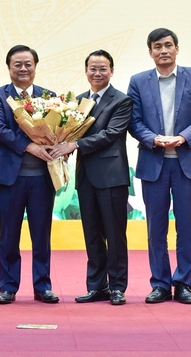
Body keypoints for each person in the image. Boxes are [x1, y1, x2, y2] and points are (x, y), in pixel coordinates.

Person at [127, 28, 191, 305]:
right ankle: (160, 284)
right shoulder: (138, 81)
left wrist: (183, 137)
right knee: (156, 227)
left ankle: (184, 283)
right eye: (157, 47)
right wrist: (152, 138)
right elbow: (134, 121)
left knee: (186, 227)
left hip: (188, 162)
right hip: (154, 163)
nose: (163, 51)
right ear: (150, 52)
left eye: (168, 45)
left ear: (177, 49)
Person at [50, 49, 133, 306]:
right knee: (92, 233)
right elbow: (67, 132)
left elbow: (111, 133)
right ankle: (96, 286)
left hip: (111, 176)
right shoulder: (77, 102)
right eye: (93, 68)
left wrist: (74, 145)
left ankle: (117, 287)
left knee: (114, 234)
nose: (97, 73)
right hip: (85, 177)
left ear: (111, 71)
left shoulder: (122, 100)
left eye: (103, 68)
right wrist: (59, 143)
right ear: (86, 71)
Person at [0, 44, 58, 305]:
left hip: (41, 177)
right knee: (8, 235)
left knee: (41, 234)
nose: (23, 68)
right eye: (17, 64)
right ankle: (8, 286)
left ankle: (43, 286)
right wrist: (31, 146)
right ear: (9, 68)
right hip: (10, 177)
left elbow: (57, 130)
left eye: (28, 64)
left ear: (35, 67)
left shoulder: (49, 96)